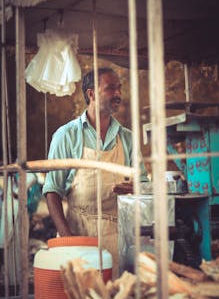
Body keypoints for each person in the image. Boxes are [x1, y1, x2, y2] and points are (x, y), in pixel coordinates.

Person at [42, 67, 148, 278]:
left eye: (119, 88)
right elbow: (52, 191)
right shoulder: (67, 135)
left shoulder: (127, 138)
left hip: (117, 238)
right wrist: (67, 239)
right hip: (79, 235)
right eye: (110, 88)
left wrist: (136, 188)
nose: (118, 94)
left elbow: (144, 185)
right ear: (91, 94)